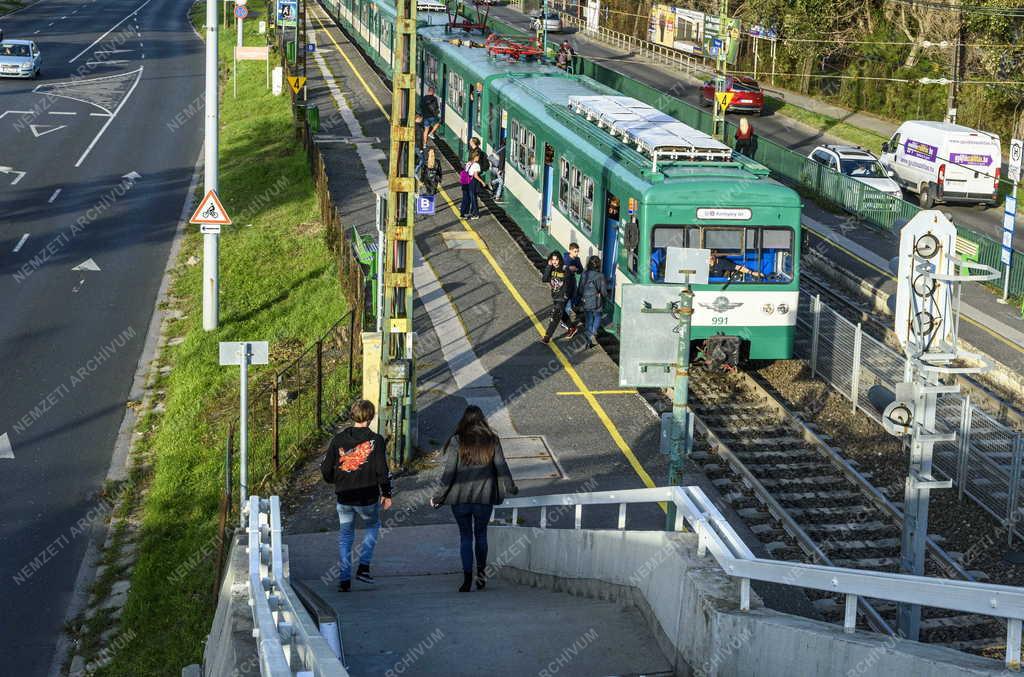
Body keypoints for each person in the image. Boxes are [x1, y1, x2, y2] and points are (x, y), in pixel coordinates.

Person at [431, 406, 518, 592]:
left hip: (460, 498)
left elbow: (449, 473)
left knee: (465, 537)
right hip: (484, 498)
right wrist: (511, 488)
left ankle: (466, 580)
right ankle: (481, 575)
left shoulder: (457, 441)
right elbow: (502, 467)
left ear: (464, 421)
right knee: (481, 535)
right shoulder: (492, 441)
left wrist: (438, 497)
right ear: (482, 421)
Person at [320, 400, 392, 592]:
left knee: (345, 536)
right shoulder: (376, 440)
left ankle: (344, 579)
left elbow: (326, 469)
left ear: (352, 415)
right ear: (371, 417)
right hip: (367, 496)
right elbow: (381, 470)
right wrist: (386, 493)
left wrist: (336, 480)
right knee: (373, 526)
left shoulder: (338, 440)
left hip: (344, 495)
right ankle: (363, 567)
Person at [541, 251, 577, 343]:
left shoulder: (565, 269)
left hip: (562, 297)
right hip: (555, 296)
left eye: (556, 259)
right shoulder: (551, 269)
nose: (555, 261)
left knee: (555, 315)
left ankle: (547, 336)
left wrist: (565, 295)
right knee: (562, 314)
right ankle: (572, 328)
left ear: (560, 260)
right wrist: (549, 266)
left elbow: (568, 284)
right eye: (553, 260)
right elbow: (544, 279)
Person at [579, 255, 608, 349]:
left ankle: (588, 341)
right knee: (598, 316)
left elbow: (580, 289)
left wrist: (581, 297)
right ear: (598, 265)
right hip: (597, 301)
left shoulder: (584, 274)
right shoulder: (601, 276)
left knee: (588, 320)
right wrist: (605, 296)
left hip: (586, 301)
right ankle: (594, 332)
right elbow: (603, 291)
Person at [560, 242, 582, 331]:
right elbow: (560, 269)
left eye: (577, 251)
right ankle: (565, 321)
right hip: (565, 282)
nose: (576, 253)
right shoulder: (565, 259)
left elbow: (580, 270)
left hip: (572, 281)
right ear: (570, 251)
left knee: (572, 298)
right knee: (567, 302)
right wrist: (568, 268)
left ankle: (566, 319)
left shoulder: (577, 260)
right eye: (575, 251)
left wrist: (576, 269)